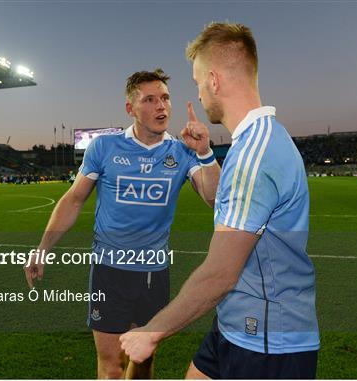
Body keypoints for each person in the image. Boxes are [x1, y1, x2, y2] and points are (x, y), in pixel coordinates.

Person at [120, 23, 320, 379]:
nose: (198, 94)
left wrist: (153, 331)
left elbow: (221, 273)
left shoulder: (255, 154)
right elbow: (227, 205)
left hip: (268, 342)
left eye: (198, 82)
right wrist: (204, 154)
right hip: (236, 322)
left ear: (214, 80)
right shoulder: (254, 140)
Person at [24, 68, 220, 379]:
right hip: (109, 271)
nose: (161, 106)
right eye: (150, 100)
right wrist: (43, 249)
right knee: (111, 365)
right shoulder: (104, 147)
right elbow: (74, 199)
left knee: (143, 361)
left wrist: (206, 154)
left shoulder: (182, 151)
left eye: (165, 98)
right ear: (130, 108)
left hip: (154, 274)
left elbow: (213, 199)